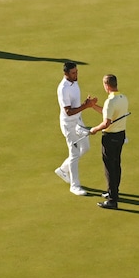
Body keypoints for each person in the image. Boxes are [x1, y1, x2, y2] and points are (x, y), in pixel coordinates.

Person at [88, 73, 129, 209]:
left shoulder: (110, 101)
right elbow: (108, 113)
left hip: (110, 137)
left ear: (106, 85)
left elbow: (106, 122)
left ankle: (112, 200)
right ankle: (114, 192)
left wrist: (95, 129)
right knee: (116, 165)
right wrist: (94, 106)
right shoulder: (123, 98)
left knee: (110, 168)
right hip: (121, 135)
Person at [55, 61, 95, 196]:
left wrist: (85, 104)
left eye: (77, 72)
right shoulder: (63, 89)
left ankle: (63, 169)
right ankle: (74, 186)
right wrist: (86, 105)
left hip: (78, 121)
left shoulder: (74, 82)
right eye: (73, 73)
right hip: (69, 124)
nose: (76, 74)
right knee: (75, 153)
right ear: (66, 74)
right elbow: (68, 112)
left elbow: (76, 106)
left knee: (86, 148)